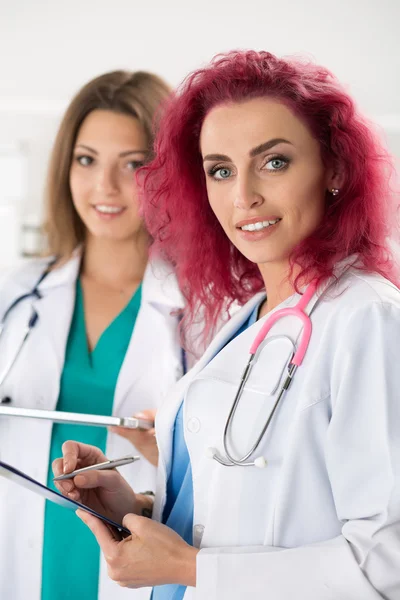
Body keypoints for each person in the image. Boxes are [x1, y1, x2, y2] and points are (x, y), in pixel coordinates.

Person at [54, 51, 400, 600]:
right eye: (220, 169)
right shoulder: (252, 319)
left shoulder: (368, 319)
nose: (244, 196)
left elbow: (386, 562)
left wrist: (194, 569)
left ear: (334, 168)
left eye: (275, 162)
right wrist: (138, 510)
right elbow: (237, 506)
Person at [0, 70, 188, 600]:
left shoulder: (201, 311)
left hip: (137, 554)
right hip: (21, 547)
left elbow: (227, 465)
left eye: (131, 164)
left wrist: (171, 444)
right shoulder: (16, 293)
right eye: (86, 160)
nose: (104, 186)